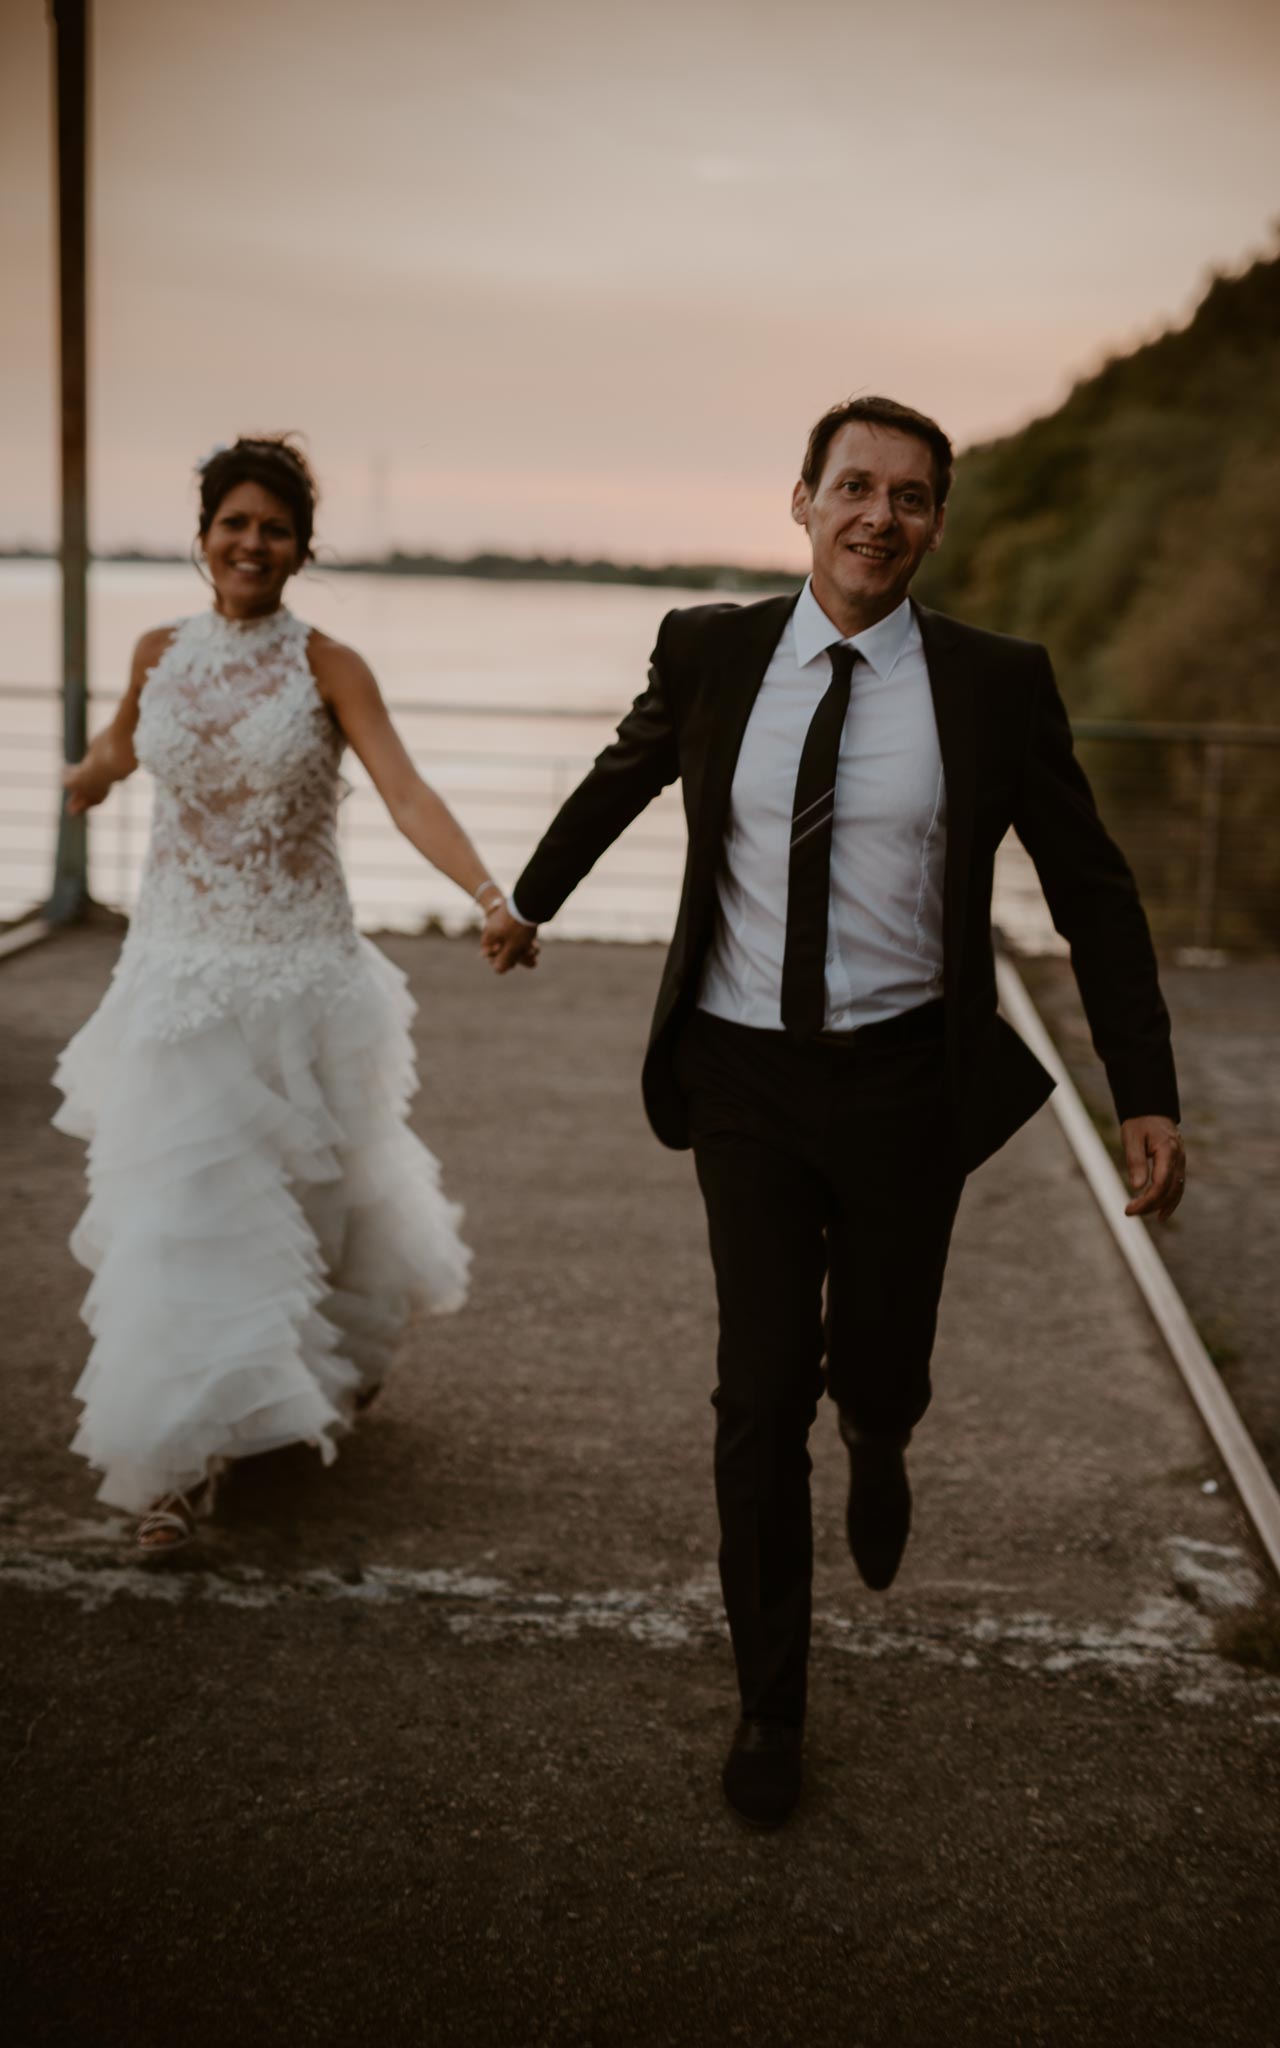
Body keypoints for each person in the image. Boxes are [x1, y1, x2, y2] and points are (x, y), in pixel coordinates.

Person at [482, 395, 1186, 1829]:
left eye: (911, 497)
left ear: (936, 523)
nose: (880, 516)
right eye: (853, 487)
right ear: (800, 501)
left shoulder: (993, 683)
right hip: (741, 1071)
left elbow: (1093, 889)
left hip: (904, 1079)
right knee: (754, 1396)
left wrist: (1147, 1091)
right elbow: (627, 775)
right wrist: (529, 902)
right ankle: (771, 1708)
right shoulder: (711, 650)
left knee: (878, 1352)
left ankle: (882, 1428)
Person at [55, 434, 530, 1554]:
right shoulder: (156, 647)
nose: (251, 543)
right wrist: (83, 777)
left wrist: (486, 889)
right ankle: (167, 1468)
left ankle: (282, 1387)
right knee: (180, 1220)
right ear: (203, 535)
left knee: (305, 1211)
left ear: (301, 548)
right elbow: (125, 745)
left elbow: (404, 789)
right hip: (174, 978)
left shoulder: (329, 665)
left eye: (274, 527)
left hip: (298, 974)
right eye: (234, 522)